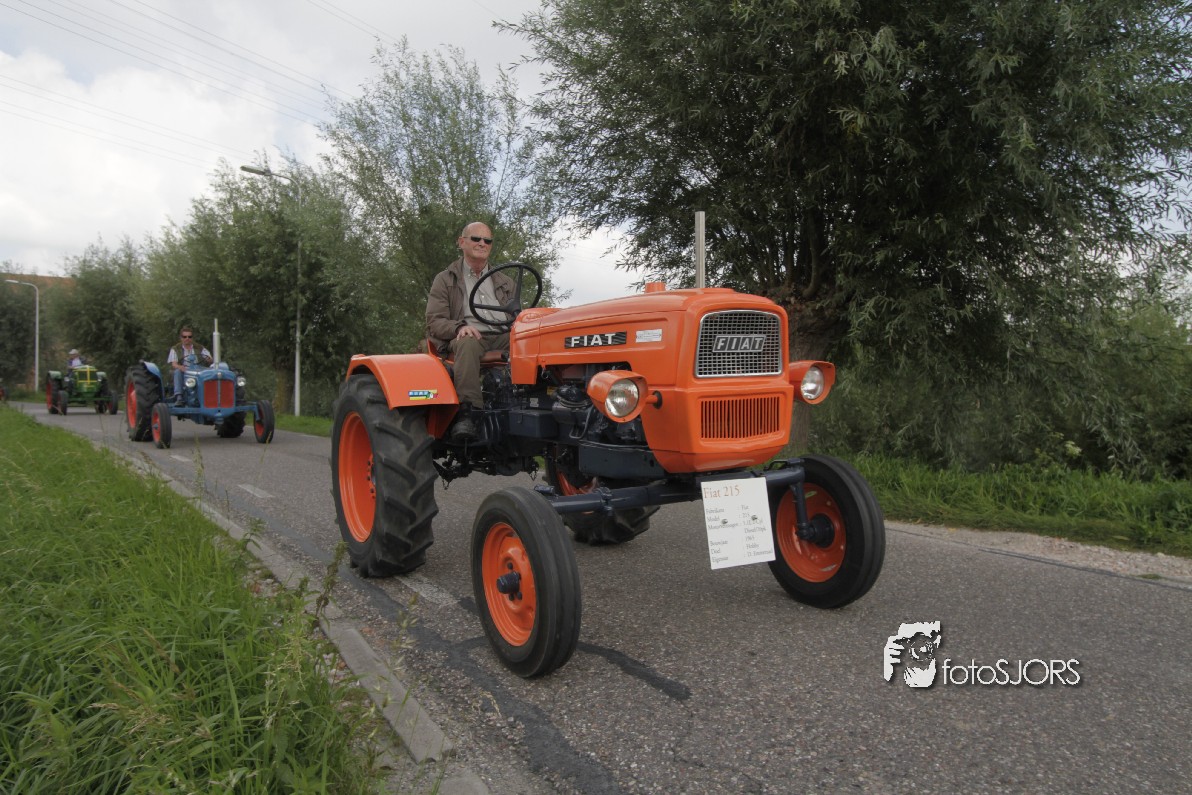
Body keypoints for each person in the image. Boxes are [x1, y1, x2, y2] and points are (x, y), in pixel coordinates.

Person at [426, 221, 514, 441]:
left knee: (535, 342)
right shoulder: (446, 279)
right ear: (461, 242)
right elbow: (435, 321)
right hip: (469, 336)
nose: (482, 243)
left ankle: (536, 403)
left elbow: (516, 315)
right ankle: (469, 413)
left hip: (502, 336)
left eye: (487, 240)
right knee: (468, 342)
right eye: (476, 238)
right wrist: (460, 327)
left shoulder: (505, 281)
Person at [167, 326, 213, 404]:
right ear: (181, 338)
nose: (187, 338)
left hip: (198, 370)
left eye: (189, 337)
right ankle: (179, 396)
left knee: (210, 372)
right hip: (184, 371)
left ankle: (210, 396)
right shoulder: (176, 348)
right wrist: (180, 367)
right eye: (184, 337)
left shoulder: (199, 347)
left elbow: (210, 358)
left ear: (192, 338)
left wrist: (209, 359)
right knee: (177, 371)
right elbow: (174, 364)